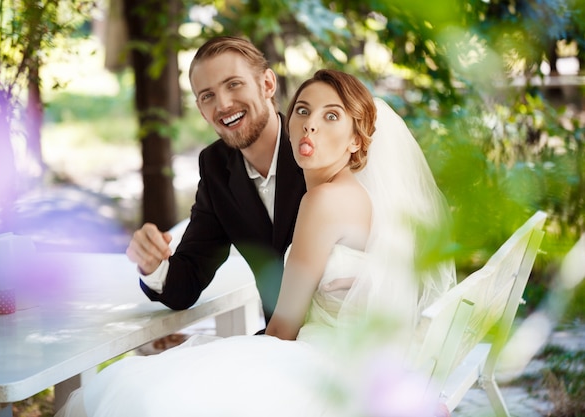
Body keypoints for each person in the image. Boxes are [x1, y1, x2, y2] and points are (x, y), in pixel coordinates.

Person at [56, 69, 456, 417]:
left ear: (355, 141)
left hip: (326, 369)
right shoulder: (352, 195)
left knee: (145, 391)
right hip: (348, 359)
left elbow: (283, 327)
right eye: (303, 110)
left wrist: (231, 359)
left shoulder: (323, 200)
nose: (310, 124)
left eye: (330, 116)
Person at [126, 36, 306, 326]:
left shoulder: (315, 148)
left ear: (267, 85)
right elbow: (186, 284)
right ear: (200, 109)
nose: (223, 104)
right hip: (278, 343)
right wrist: (153, 264)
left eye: (234, 84)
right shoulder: (216, 169)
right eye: (207, 96)